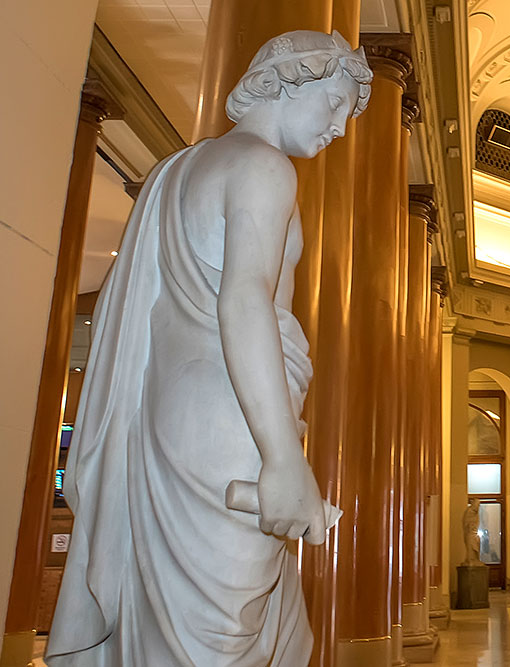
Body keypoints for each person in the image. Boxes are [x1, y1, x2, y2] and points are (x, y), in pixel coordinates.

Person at [46, 31, 372, 666]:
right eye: (334, 102)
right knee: (223, 635)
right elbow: (244, 300)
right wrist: (282, 457)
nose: (338, 127)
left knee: (177, 619)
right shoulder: (264, 167)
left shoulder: (176, 171)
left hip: (170, 413)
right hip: (234, 419)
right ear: (286, 80)